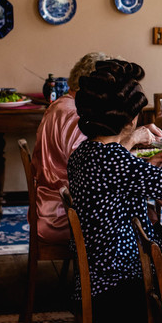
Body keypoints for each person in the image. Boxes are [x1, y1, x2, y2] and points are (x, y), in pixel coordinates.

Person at [67, 59, 162, 323]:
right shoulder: (117, 162)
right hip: (120, 295)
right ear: (129, 119)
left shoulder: (83, 154)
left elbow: (119, 169)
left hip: (95, 287)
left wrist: (130, 141)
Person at [31, 52, 118, 244]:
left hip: (49, 202)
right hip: (62, 215)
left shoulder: (61, 104)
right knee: (144, 219)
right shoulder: (74, 115)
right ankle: (136, 272)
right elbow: (91, 172)